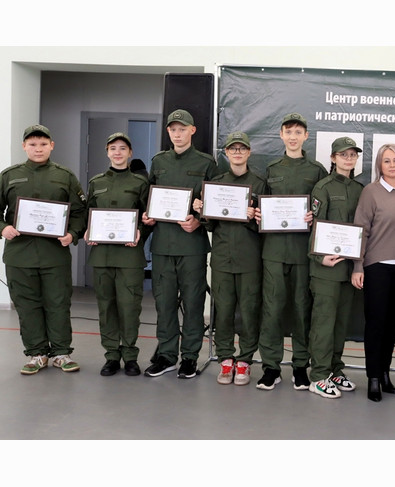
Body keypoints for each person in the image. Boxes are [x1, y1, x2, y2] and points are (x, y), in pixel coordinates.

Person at [0, 125, 87, 374]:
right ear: (24, 146)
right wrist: (3, 228)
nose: (38, 149)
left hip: (54, 254)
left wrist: (73, 233)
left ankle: (61, 353)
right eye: (32, 144)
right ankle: (36, 354)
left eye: (43, 144)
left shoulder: (65, 176)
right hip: (19, 254)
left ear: (52, 145)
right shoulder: (9, 175)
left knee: (58, 303)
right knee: (27, 305)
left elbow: (80, 212)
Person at [142, 109, 220, 379]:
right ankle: (166, 356)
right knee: (164, 304)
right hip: (162, 245)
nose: (177, 134)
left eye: (182, 129)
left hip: (192, 247)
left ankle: (189, 358)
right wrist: (146, 215)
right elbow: (150, 198)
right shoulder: (159, 162)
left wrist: (200, 220)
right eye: (173, 129)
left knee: (193, 304)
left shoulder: (207, 163)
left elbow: (218, 202)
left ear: (192, 131)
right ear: (168, 132)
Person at [255, 113, 328, 391]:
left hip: (303, 253)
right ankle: (271, 367)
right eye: (288, 131)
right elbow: (259, 205)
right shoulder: (271, 168)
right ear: (281, 135)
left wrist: (314, 217)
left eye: (298, 131)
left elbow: (324, 209)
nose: (293, 136)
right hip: (273, 251)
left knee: (301, 310)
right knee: (271, 311)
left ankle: (300, 366)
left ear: (306, 136)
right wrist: (259, 212)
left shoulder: (317, 170)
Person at [192, 132, 266, 386]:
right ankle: (225, 359)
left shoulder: (259, 182)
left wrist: (254, 216)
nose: (237, 152)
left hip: (250, 259)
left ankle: (244, 361)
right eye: (232, 149)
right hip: (222, 258)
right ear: (226, 152)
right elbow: (210, 225)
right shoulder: (217, 182)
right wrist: (203, 211)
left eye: (241, 148)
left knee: (248, 311)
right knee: (222, 311)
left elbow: (266, 226)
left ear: (248, 152)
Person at [352, 143, 395, 402]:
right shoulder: (370, 192)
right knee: (376, 323)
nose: (392, 165)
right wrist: (358, 266)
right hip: (377, 265)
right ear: (379, 165)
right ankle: (372, 377)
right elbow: (362, 230)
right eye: (386, 161)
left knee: (393, 323)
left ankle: (385, 373)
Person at [86, 132, 150, 377]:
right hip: (102, 255)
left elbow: (147, 217)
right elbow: (88, 213)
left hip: (129, 256)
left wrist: (140, 232)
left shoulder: (140, 183)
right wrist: (87, 229)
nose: (118, 152)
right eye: (113, 148)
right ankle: (112, 355)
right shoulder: (96, 182)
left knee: (130, 307)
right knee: (107, 307)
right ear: (107, 152)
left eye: (123, 148)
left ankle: (131, 356)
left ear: (130, 153)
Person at [307, 136, 364, 399]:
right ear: (333, 158)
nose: (348, 159)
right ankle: (318, 375)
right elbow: (314, 227)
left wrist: (356, 265)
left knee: (341, 324)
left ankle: (334, 369)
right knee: (324, 324)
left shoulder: (360, 189)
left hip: (347, 269)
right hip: (326, 269)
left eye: (352, 155)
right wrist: (320, 258)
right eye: (343, 155)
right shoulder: (323, 187)